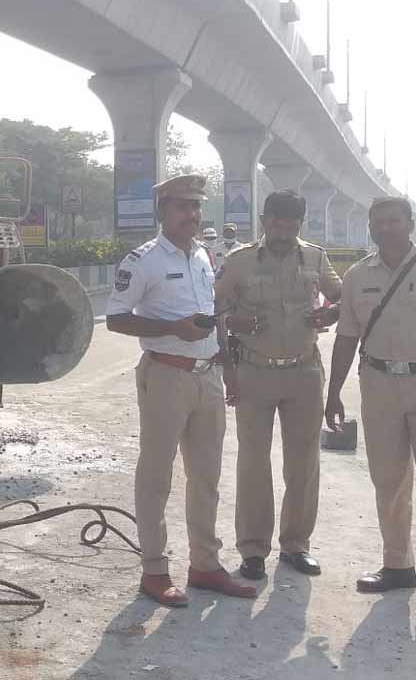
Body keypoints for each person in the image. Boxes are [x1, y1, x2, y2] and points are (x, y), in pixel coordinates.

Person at [106, 174, 256, 607]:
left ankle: (205, 564)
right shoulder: (142, 260)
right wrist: (173, 329)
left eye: (195, 206)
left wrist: (227, 365)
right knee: (156, 476)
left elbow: (214, 315)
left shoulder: (204, 257)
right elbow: (116, 318)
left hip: (207, 376)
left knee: (207, 476)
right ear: (162, 211)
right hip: (166, 376)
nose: (191, 214)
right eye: (182, 206)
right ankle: (154, 570)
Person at [213, 190, 342, 581]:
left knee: (303, 463)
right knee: (253, 462)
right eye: (276, 222)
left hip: (303, 372)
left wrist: (330, 314)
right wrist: (237, 336)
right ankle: (253, 550)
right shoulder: (240, 261)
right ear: (264, 220)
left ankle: (296, 545)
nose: (283, 230)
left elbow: (342, 298)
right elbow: (215, 311)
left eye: (291, 224)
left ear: (300, 224)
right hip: (254, 371)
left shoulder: (315, 257)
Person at [326, 196, 416, 592]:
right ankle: (397, 565)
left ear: (410, 223)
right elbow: (346, 337)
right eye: (377, 222)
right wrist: (334, 393)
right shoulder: (358, 276)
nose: (384, 228)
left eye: (393, 221)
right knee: (388, 478)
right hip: (378, 384)